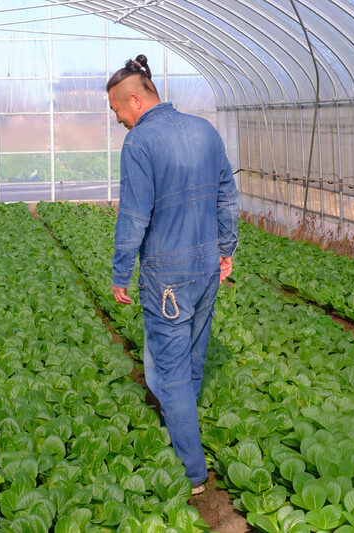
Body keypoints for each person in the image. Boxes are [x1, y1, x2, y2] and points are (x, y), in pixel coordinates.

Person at [107, 54, 238, 495]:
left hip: (168, 274)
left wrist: (120, 272)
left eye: (117, 111)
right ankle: (181, 428)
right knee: (191, 361)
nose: (119, 120)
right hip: (205, 268)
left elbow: (134, 215)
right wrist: (226, 250)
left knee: (171, 370)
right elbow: (226, 195)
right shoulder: (205, 131)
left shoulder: (140, 143)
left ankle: (191, 471)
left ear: (134, 99)